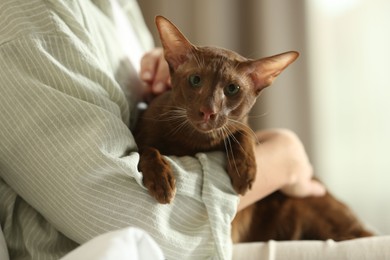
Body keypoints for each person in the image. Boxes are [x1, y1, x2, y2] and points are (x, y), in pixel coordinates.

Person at [0, 0, 325, 259]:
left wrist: (176, 79)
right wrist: (284, 157)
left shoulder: (119, 7)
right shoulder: (31, 18)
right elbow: (136, 220)